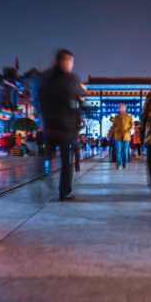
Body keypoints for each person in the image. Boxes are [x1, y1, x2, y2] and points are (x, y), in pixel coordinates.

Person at [37, 48, 87, 200]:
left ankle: (62, 190)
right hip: (64, 128)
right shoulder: (71, 79)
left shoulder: (46, 77)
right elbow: (81, 99)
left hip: (55, 126)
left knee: (62, 160)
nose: (70, 64)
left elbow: (39, 99)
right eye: (69, 61)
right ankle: (63, 190)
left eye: (71, 62)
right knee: (65, 162)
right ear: (62, 61)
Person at [107, 104, 134, 169]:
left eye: (122, 108)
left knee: (125, 151)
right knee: (118, 151)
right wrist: (110, 133)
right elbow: (114, 126)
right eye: (120, 108)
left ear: (125, 109)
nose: (121, 109)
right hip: (118, 136)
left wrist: (128, 130)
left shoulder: (129, 117)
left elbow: (132, 125)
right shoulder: (116, 117)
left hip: (126, 136)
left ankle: (124, 164)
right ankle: (118, 164)